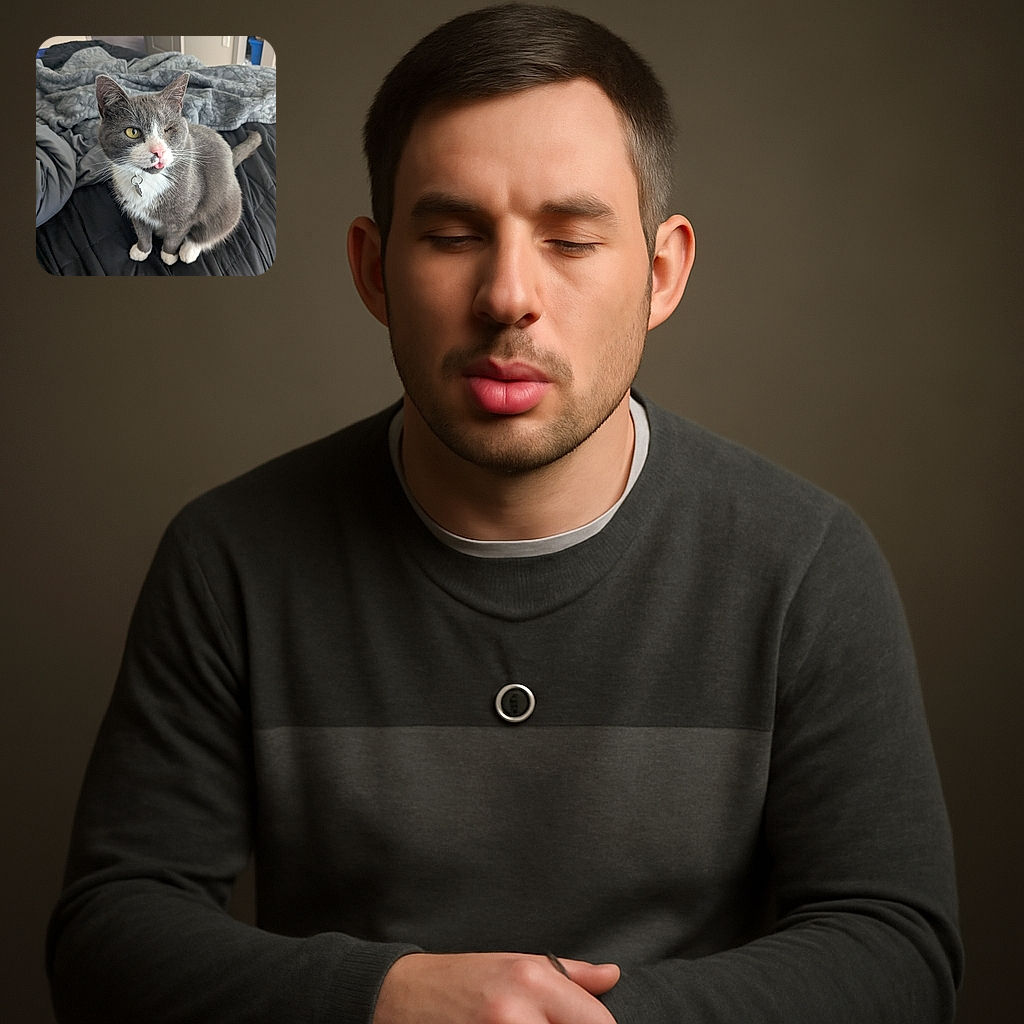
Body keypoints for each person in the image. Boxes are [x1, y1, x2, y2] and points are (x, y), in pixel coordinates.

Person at [46, 5, 963, 1023]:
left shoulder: (805, 561)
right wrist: (379, 997)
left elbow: (895, 948)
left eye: (570, 239)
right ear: (371, 269)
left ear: (661, 273)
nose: (508, 295)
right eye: (449, 236)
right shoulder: (229, 557)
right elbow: (110, 933)